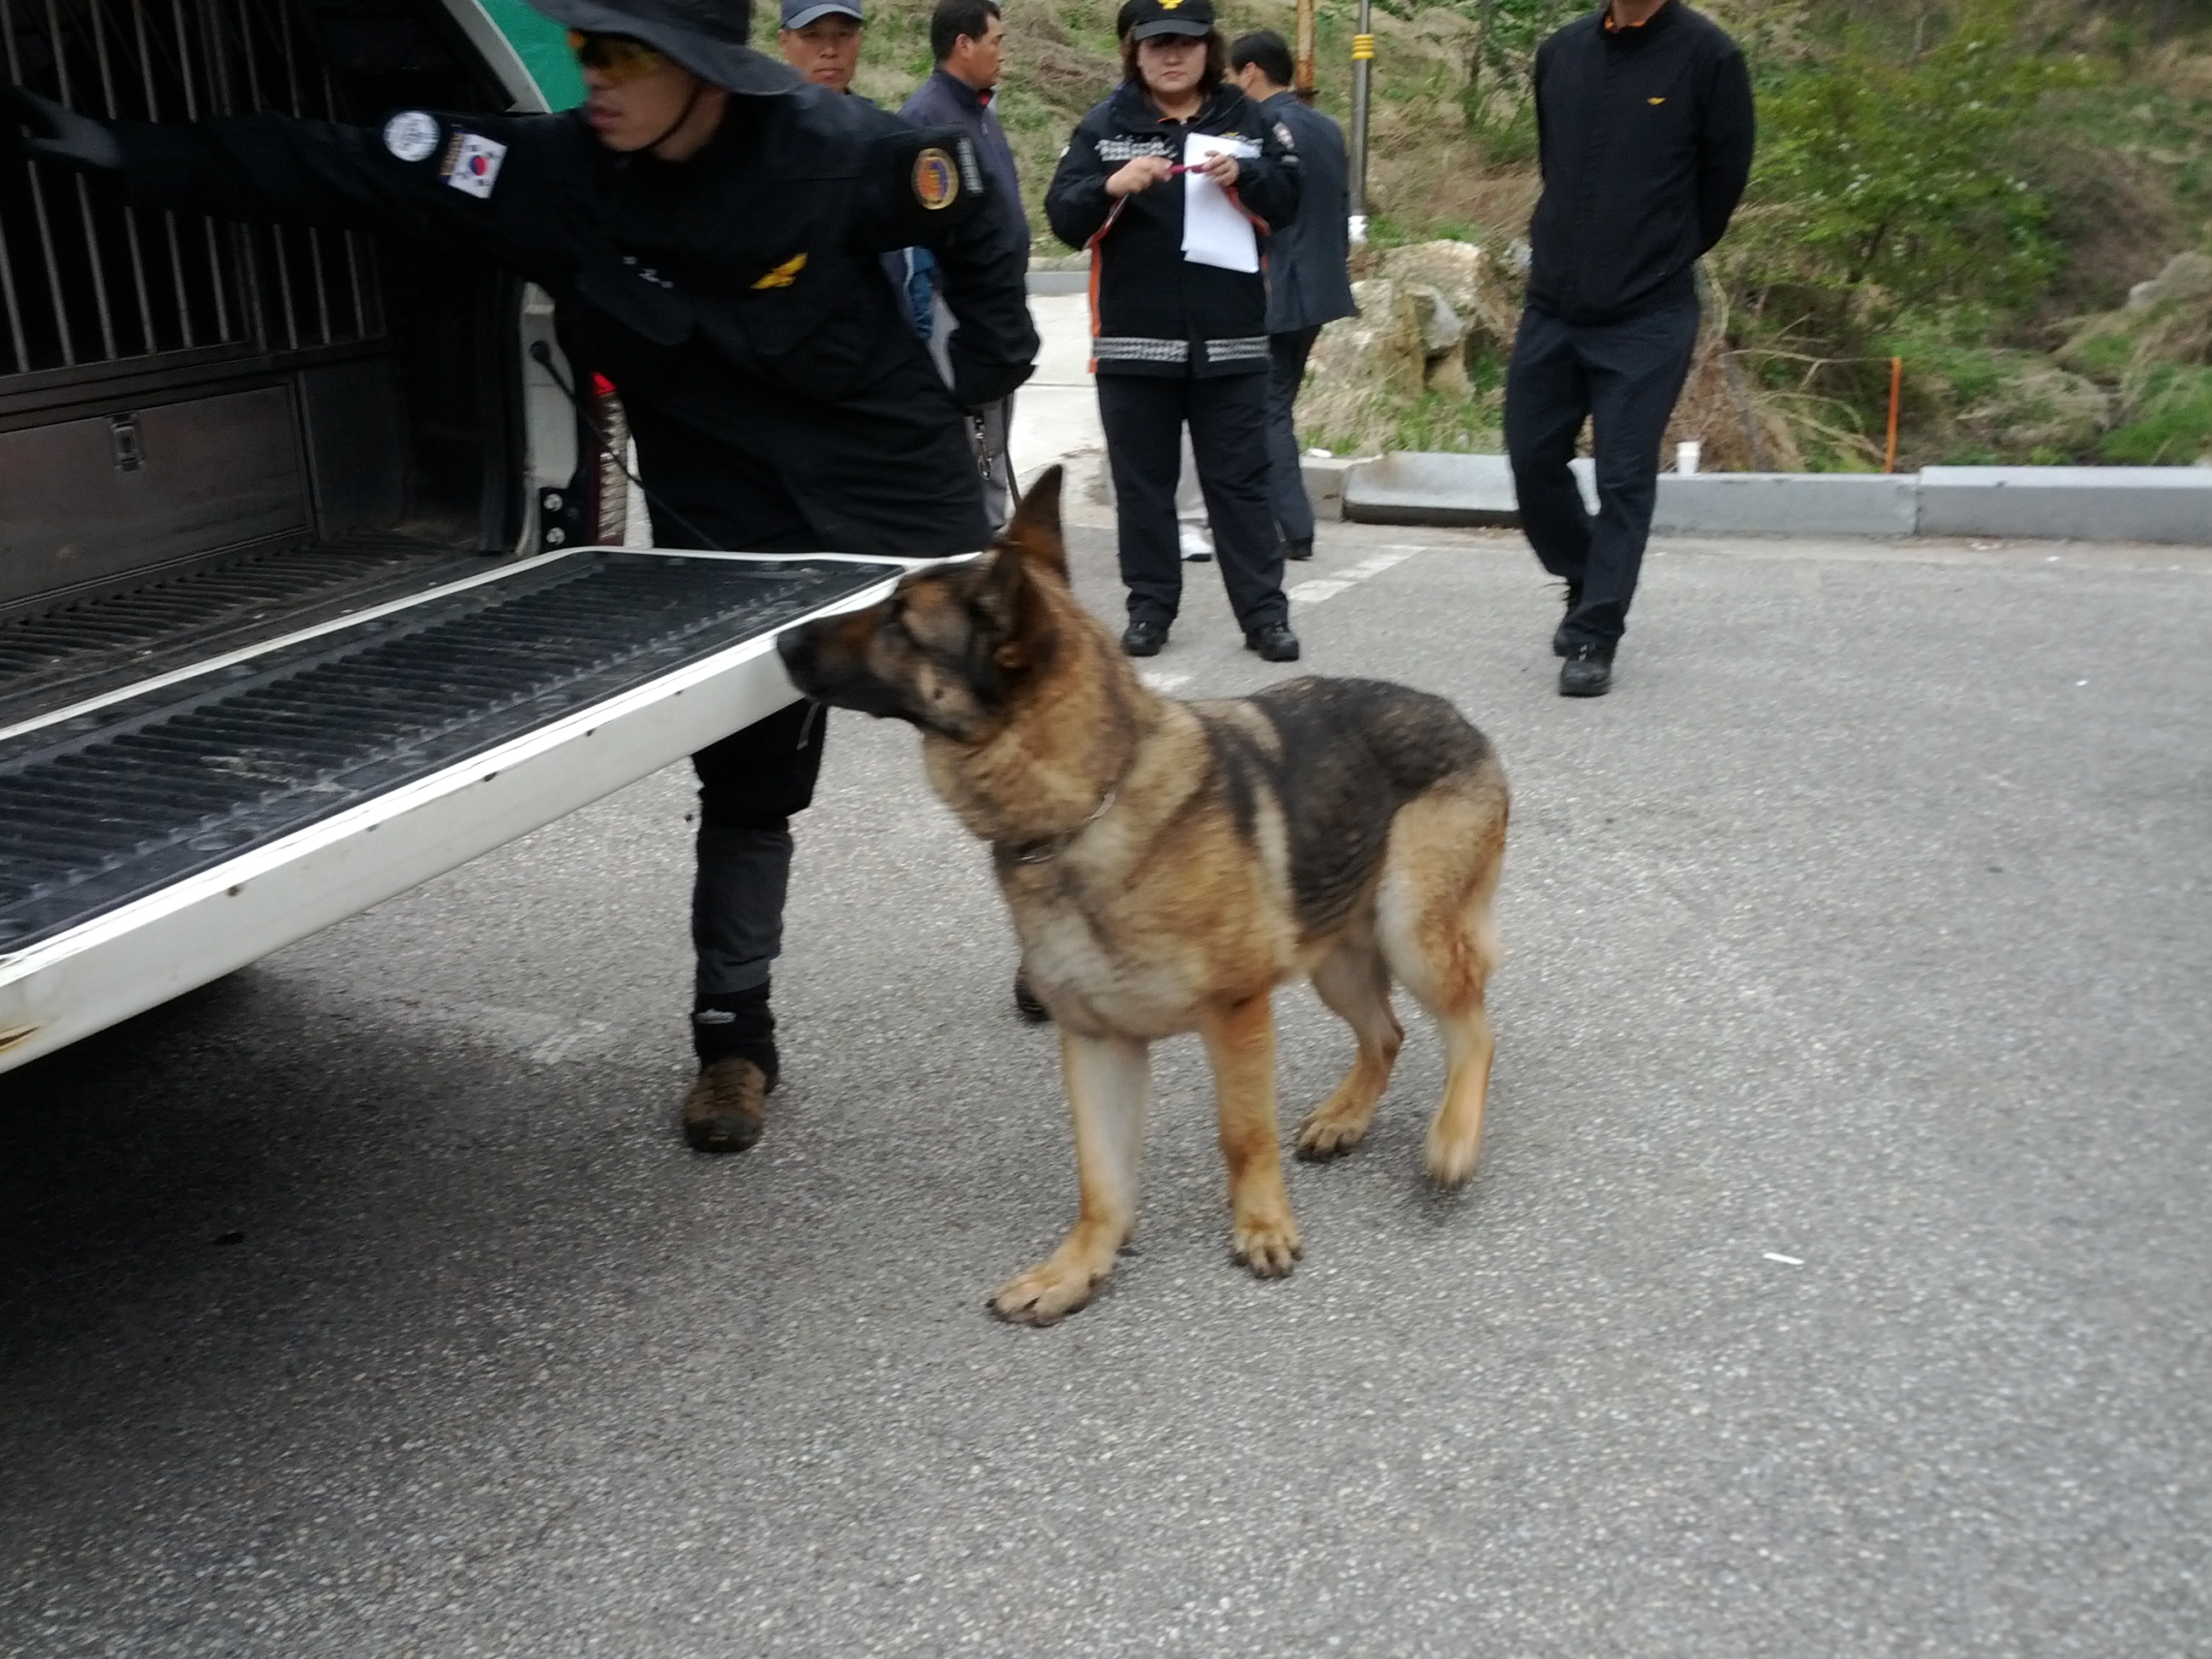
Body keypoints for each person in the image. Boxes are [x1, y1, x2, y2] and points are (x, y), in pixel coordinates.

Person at [3, 0, 1036, 1150]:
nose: (598, 75)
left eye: (630, 53)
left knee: (999, 721)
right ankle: (734, 1040)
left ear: (708, 72)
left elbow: (974, 214)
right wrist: (123, 149)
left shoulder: (836, 150)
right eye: (590, 48)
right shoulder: (547, 172)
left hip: (891, 485)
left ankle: (1055, 936)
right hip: (725, 510)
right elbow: (340, 163)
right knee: (749, 779)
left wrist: (987, 363)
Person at [1505, 0, 1753, 696]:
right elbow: (1555, 163)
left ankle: (1596, 631)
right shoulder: (1561, 53)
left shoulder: (1710, 58)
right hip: (1554, 301)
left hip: (1648, 312)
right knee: (1531, 455)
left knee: (1623, 476)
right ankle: (1585, 572)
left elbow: (1723, 181)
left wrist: (1659, 252)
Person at [1045, 0, 1303, 662]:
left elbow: (1290, 198)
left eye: (1185, 43)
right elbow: (1063, 217)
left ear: (1208, 49)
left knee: (1241, 486)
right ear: (1134, 50)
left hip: (1232, 345)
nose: (1171, 55)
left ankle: (1265, 616)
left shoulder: (1246, 118)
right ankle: (1150, 611)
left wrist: (1247, 173)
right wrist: (1112, 185)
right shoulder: (1105, 126)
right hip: (1135, 347)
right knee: (1143, 490)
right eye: (1157, 43)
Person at [1229, 29, 1355, 563]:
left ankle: (1292, 528)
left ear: (1251, 72)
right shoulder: (1325, 126)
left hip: (1278, 283)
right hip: (1322, 284)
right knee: (1278, 404)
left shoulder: (1258, 126)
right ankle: (1279, 519)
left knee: (1268, 409)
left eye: (1232, 74)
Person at [900, 0, 1024, 528]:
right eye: (995, 41)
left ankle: (990, 537)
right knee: (965, 439)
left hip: (993, 306)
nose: (1002, 53)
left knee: (992, 439)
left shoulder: (980, 115)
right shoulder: (927, 121)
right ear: (963, 45)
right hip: (952, 309)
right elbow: (915, 241)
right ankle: (971, 543)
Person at [777, 0, 866, 95]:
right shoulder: (769, 103)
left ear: (859, 40)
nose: (830, 51)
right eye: (812, 35)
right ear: (785, 42)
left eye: (843, 34)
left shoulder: (866, 106)